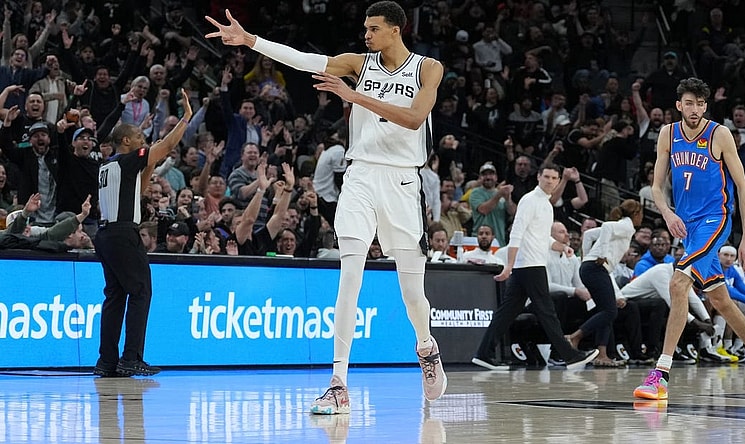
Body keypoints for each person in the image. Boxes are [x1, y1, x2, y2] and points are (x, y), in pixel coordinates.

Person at [206, 1, 447, 413]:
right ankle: (338, 383)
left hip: (404, 181)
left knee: (412, 296)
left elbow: (413, 118)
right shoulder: (359, 63)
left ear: (395, 29)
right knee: (348, 276)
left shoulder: (428, 68)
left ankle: (426, 347)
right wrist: (252, 41)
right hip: (360, 177)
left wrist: (355, 97)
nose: (366, 35)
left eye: (373, 29)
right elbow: (303, 60)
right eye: (365, 29)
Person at [634, 77, 745, 401]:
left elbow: (743, 186)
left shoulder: (719, 134)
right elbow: (658, 188)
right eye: (689, 103)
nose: (695, 109)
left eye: (701, 104)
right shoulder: (668, 134)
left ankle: (660, 374)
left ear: (706, 106)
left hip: (715, 220)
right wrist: (669, 214)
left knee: (677, 283)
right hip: (686, 226)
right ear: (679, 105)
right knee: (720, 300)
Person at [92, 88, 193, 378]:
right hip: (124, 235)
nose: (143, 142)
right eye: (138, 138)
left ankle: (106, 362)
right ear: (126, 141)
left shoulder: (107, 166)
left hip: (105, 236)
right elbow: (166, 145)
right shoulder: (126, 159)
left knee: (114, 297)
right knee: (141, 293)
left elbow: (139, 189)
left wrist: (150, 164)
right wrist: (185, 118)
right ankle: (131, 358)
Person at [471, 164, 599, 371]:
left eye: (554, 178)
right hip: (530, 266)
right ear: (538, 177)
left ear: (558, 181)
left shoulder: (547, 204)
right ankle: (570, 355)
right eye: (546, 176)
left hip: (530, 266)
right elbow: (517, 234)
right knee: (547, 312)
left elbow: (542, 237)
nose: (549, 181)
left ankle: (483, 354)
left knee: (507, 312)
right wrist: (509, 266)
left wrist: (562, 246)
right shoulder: (529, 201)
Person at [566, 199, 642, 367]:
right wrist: (600, 254)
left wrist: (585, 258)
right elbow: (607, 226)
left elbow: (589, 234)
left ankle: (602, 355)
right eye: (641, 214)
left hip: (591, 268)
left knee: (606, 311)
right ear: (635, 214)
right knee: (610, 311)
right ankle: (574, 337)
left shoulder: (623, 225)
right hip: (595, 268)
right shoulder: (627, 225)